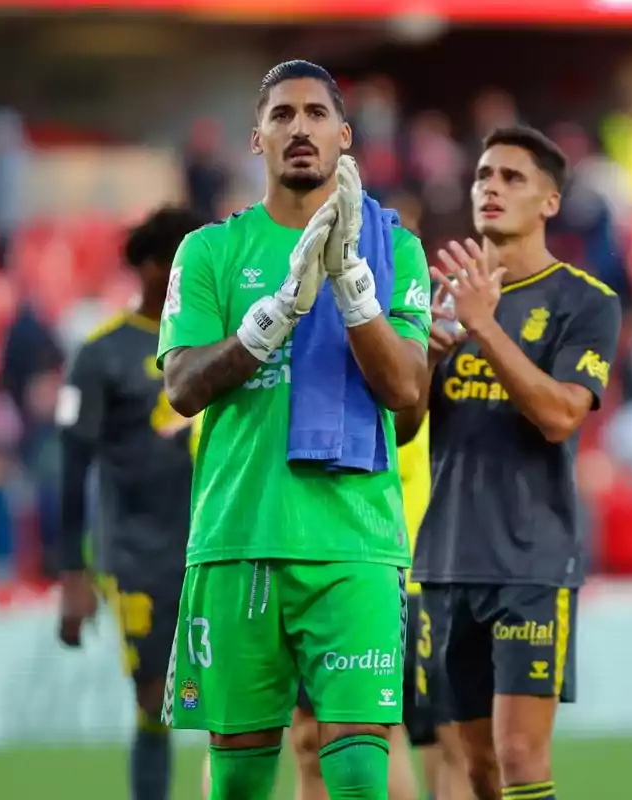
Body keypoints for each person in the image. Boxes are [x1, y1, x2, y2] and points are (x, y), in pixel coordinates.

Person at [159, 60, 432, 800]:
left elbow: (407, 393)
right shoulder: (210, 251)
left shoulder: (392, 249)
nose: (300, 128)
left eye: (316, 114)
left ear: (344, 137)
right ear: (257, 139)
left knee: (353, 773)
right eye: (282, 115)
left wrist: (348, 282)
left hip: (353, 542)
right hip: (239, 536)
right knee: (241, 781)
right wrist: (272, 317)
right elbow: (182, 387)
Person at [403, 126, 622, 800]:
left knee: (522, 754)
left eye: (511, 178)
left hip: (530, 561)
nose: (490, 188)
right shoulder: (438, 303)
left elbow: (559, 416)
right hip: (442, 562)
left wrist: (485, 327)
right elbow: (406, 427)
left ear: (550, 202)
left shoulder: (585, 302)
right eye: (482, 176)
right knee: (476, 768)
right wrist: (429, 357)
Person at [56, 205, 208, 800]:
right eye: (178, 262)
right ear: (149, 267)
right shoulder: (102, 354)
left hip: (216, 544)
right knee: (153, 697)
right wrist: (72, 570)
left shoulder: (220, 341)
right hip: (137, 551)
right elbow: (72, 470)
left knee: (239, 702)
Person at [289, 416, 474, 800]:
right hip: (341, 569)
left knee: (452, 742)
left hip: (432, 569)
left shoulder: (429, 364)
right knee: (337, 738)